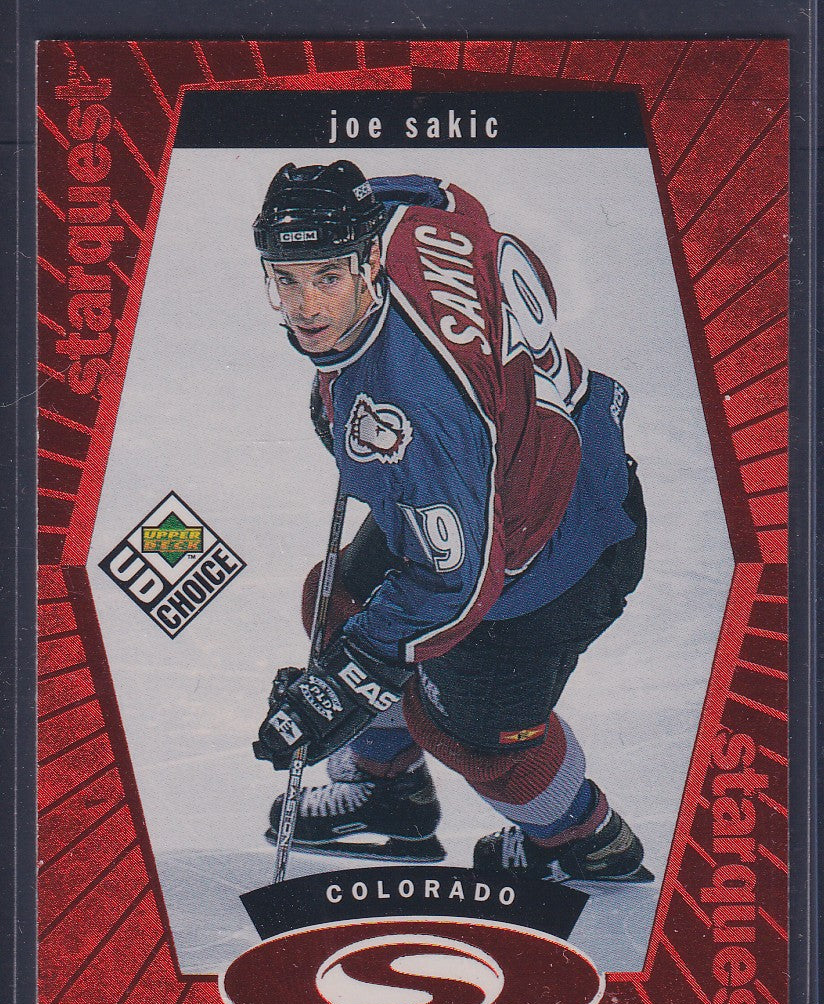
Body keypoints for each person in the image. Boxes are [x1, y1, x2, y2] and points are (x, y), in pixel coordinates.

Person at [251, 159, 651, 882]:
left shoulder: (415, 413)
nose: (306, 306)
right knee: (339, 606)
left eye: (328, 278)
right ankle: (385, 791)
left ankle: (583, 839)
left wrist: (349, 681)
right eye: (287, 279)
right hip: (521, 467)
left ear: (368, 260)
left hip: (557, 548)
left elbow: (457, 585)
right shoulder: (409, 221)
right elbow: (443, 195)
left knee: (468, 732)